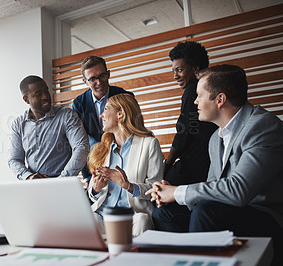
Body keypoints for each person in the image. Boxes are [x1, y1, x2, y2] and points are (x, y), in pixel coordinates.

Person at [147, 65, 283, 265]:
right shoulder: (214, 138)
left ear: (220, 99)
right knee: (164, 213)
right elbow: (213, 189)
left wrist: (176, 192)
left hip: (266, 217)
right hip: (226, 212)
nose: (195, 102)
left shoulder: (263, 127)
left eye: (199, 95)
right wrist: (170, 195)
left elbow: (238, 190)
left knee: (206, 212)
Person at [0, 75, 89, 231]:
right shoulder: (18, 124)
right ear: (26, 99)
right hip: (31, 186)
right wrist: (28, 176)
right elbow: (14, 160)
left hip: (61, 184)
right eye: (38, 94)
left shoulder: (66, 115)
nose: (45, 96)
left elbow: (81, 148)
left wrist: (61, 181)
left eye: (46, 91)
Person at [87, 94, 163, 237]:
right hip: (103, 215)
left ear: (120, 113)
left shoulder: (149, 144)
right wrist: (96, 189)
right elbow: (92, 192)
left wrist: (128, 185)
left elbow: (155, 188)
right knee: (89, 219)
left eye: (106, 109)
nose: (101, 115)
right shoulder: (101, 149)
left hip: (133, 215)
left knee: (142, 220)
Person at [164, 41, 218, 185]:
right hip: (212, 161)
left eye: (179, 69)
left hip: (194, 163)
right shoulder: (214, 87)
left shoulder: (191, 90)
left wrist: (167, 165)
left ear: (195, 68)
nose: (175, 76)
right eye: (173, 71)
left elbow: (184, 133)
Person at [73, 56, 133, 181]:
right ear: (85, 81)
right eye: (93, 79)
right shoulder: (79, 104)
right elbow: (81, 143)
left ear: (108, 74)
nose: (99, 82)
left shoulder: (125, 97)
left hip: (124, 162)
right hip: (95, 163)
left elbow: (132, 132)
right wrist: (87, 178)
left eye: (102, 76)